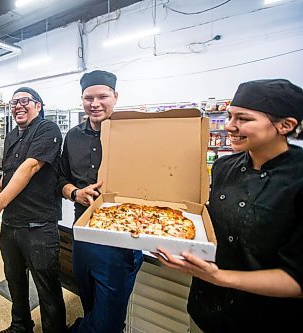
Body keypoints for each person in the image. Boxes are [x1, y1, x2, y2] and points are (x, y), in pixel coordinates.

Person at [155, 79, 303, 332]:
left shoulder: (298, 179)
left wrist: (219, 277)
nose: (229, 126)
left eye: (243, 119)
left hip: (264, 318)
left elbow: (297, 279)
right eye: (229, 116)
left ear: (285, 125)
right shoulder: (225, 166)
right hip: (205, 311)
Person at [0, 87, 67, 333]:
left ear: (38, 106)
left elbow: (31, 166)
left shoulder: (47, 129)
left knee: (47, 287)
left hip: (38, 225)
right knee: (15, 280)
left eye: (25, 101)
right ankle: (20, 325)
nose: (18, 106)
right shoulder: (12, 135)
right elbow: (12, 169)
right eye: (14, 103)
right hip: (12, 223)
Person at [58, 70, 144, 333]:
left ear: (115, 97)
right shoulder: (73, 136)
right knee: (89, 301)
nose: (94, 103)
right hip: (82, 232)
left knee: (108, 319)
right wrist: (75, 192)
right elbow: (60, 177)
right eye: (88, 98)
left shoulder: (135, 133)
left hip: (120, 238)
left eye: (102, 96)